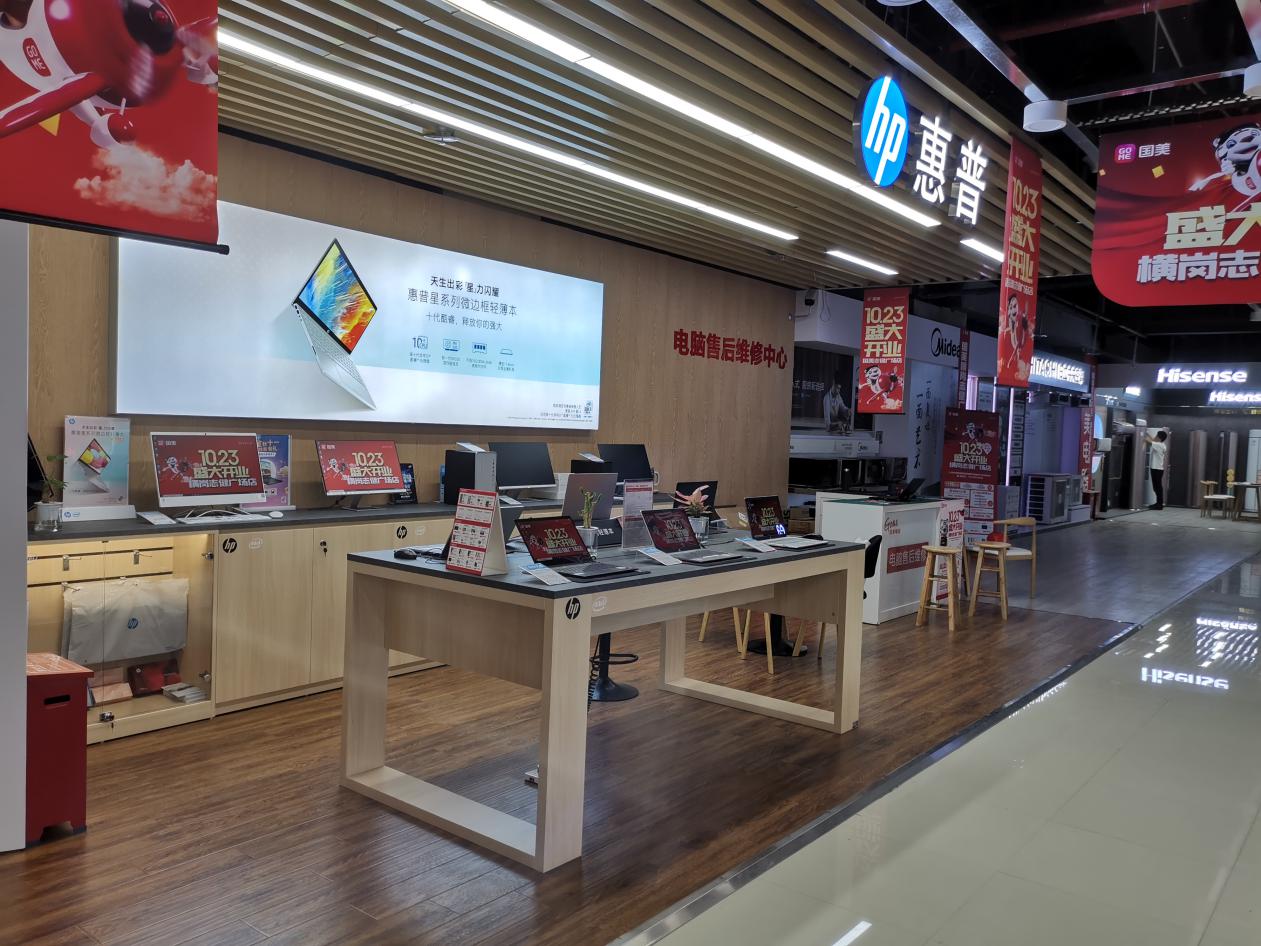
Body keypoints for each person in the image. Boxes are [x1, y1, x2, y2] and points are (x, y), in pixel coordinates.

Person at [1145, 429, 1169, 510]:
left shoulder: (1159, 445)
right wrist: (1147, 433)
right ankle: (1158, 503)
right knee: (1156, 487)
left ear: (1159, 438)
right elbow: (1152, 440)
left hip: (1157, 469)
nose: (1155, 437)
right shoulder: (1160, 444)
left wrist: (1142, 434)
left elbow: (1149, 441)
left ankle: (1159, 505)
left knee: (1158, 487)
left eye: (1156, 435)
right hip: (1156, 469)